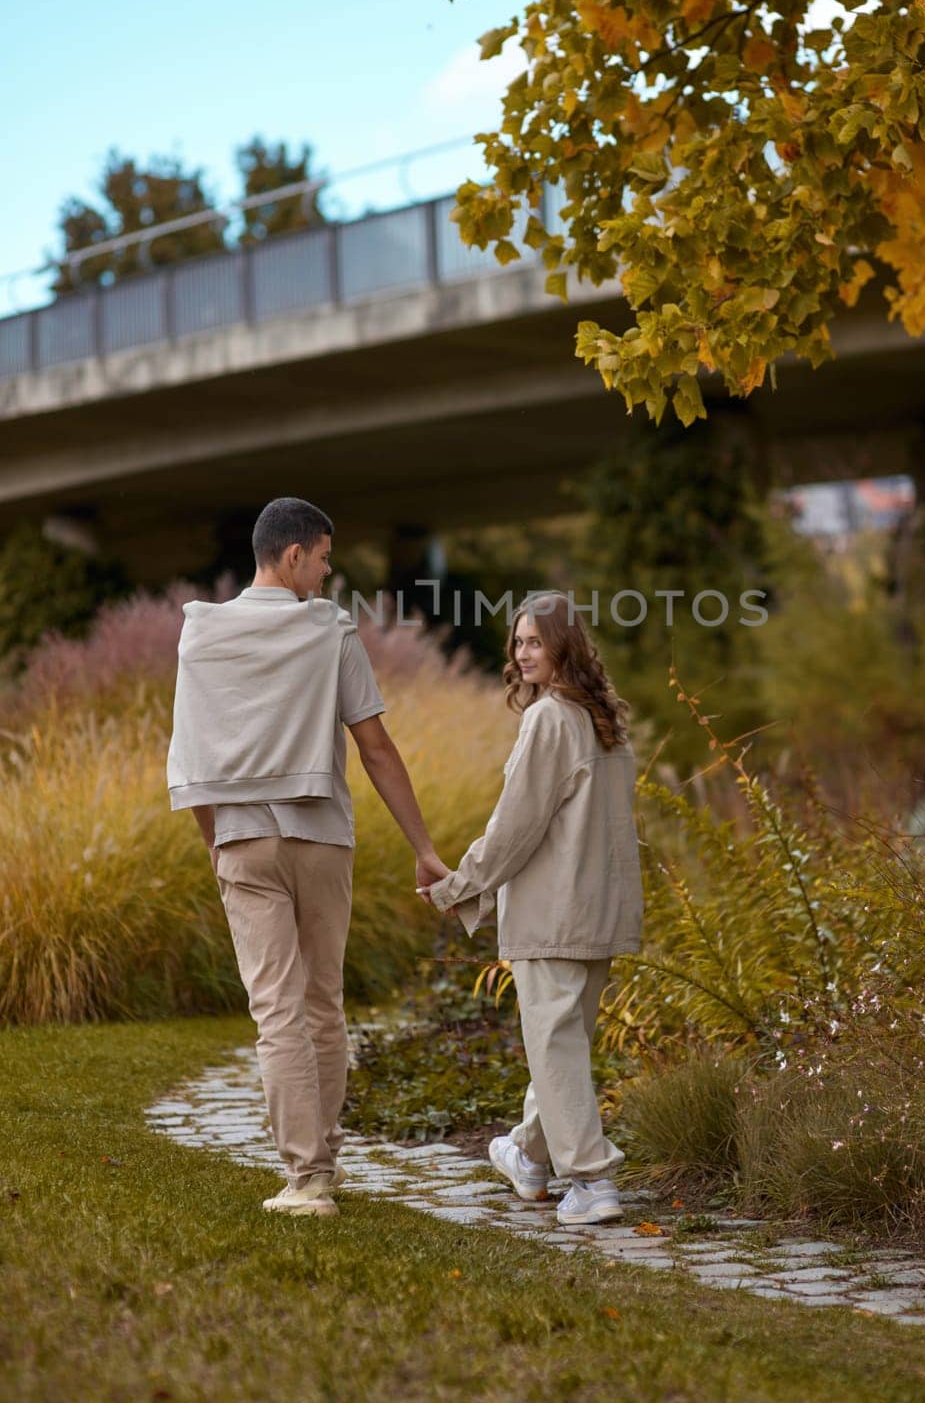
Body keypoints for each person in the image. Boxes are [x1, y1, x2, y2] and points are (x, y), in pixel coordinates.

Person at [167, 496, 451, 1218]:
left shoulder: (200, 635)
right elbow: (376, 747)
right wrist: (424, 849)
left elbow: (192, 759)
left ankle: (306, 1177)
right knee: (323, 1003)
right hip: (322, 837)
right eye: (323, 558)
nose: (327, 573)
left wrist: (217, 842)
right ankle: (322, 1162)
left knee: (277, 1011)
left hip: (243, 839)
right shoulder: (330, 631)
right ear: (292, 554)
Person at [423, 591, 643, 1226]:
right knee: (564, 1046)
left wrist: (457, 886)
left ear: (562, 647)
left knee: (555, 1048)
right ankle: (526, 1156)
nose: (521, 654)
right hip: (600, 911)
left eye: (534, 642)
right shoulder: (605, 723)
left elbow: (514, 828)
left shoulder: (549, 720)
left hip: (553, 915)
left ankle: (593, 1181)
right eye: (516, 642)